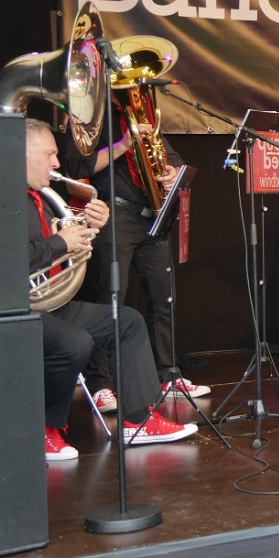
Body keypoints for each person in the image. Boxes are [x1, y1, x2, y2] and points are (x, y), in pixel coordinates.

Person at [26, 118, 198, 461]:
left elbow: (57, 242)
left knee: (128, 321)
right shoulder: (9, 200)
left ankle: (138, 419)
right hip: (20, 309)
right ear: (22, 153)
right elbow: (15, 258)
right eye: (50, 155)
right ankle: (43, 429)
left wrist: (88, 226)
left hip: (51, 304)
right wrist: (62, 242)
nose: (57, 163)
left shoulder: (40, 197)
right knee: (75, 341)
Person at [62, 91, 210, 410]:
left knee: (163, 297)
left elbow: (172, 156)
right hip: (113, 213)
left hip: (152, 214)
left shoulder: (143, 111)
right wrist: (124, 144)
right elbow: (76, 165)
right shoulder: (90, 115)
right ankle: (101, 383)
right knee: (109, 299)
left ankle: (167, 374)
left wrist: (171, 171)